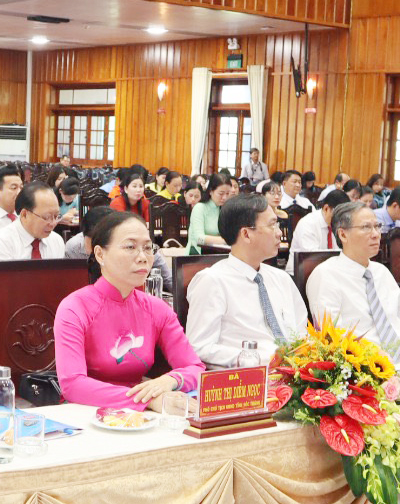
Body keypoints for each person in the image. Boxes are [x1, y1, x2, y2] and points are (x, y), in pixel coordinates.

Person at [54, 211, 204, 410]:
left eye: (148, 248)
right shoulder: (74, 307)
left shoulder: (157, 309)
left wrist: (171, 380)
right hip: (85, 413)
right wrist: (147, 399)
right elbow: (73, 385)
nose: (143, 257)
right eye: (130, 247)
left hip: (142, 415)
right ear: (100, 254)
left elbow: (196, 368)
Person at [307, 203, 400, 363]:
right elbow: (332, 338)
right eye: (366, 227)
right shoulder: (326, 275)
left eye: (377, 226)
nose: (376, 234)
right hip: (365, 367)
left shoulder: (381, 272)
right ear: (343, 235)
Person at [185, 193, 307, 366]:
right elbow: (199, 347)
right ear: (246, 234)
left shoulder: (282, 279)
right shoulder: (213, 281)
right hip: (249, 379)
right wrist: (256, 358)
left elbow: (302, 333)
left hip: (295, 376)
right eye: (272, 225)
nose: (280, 233)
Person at [0, 181, 65, 261]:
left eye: (56, 216)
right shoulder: (0, 244)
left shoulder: (56, 241)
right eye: (47, 217)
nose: (53, 223)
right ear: (24, 214)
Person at [287, 186, 347, 273]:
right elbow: (312, 258)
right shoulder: (308, 223)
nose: (341, 220)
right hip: (300, 273)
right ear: (326, 209)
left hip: (327, 272)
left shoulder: (337, 224)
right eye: (339, 215)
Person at [187, 174, 236, 253]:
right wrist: (225, 240)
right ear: (210, 191)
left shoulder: (224, 209)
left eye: (227, 194)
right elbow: (199, 238)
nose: (224, 197)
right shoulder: (200, 208)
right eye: (221, 193)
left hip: (219, 252)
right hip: (197, 255)